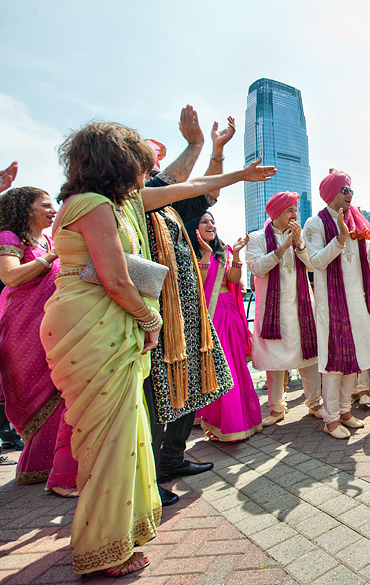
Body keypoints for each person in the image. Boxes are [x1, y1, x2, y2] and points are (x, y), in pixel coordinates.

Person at [41, 120, 275, 577]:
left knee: (125, 435)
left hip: (113, 321)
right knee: (109, 440)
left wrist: (237, 177)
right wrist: (151, 320)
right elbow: (114, 277)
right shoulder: (89, 206)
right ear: (119, 163)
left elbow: (193, 185)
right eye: (141, 164)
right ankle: (103, 548)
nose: (148, 174)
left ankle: (122, 529)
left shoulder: (122, 203)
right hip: (92, 322)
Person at [143, 111, 240, 505]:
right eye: (150, 164)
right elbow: (171, 182)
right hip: (156, 316)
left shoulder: (171, 210)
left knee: (194, 388)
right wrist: (197, 145)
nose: (160, 171)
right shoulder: (136, 201)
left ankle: (171, 460)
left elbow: (206, 192)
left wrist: (216, 150)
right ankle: (147, 479)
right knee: (153, 398)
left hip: (188, 315)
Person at [0, 186, 77, 494]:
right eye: (44, 205)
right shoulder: (9, 238)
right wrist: (51, 256)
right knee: (45, 392)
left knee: (63, 388)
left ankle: (54, 467)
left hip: (53, 324)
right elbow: (11, 277)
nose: (52, 209)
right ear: (25, 209)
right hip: (24, 328)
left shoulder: (47, 239)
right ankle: (54, 473)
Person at [304, 171, 370, 439]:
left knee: (356, 357)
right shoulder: (314, 224)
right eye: (344, 190)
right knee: (333, 361)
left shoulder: (357, 223)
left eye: (350, 190)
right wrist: (340, 238)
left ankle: (344, 411)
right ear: (331, 194)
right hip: (331, 303)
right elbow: (316, 261)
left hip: (357, 301)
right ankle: (330, 419)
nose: (349, 194)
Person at [246, 192, 321, 427]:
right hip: (272, 310)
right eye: (290, 210)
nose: (294, 214)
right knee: (274, 359)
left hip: (302, 306)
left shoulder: (298, 237)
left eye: (295, 210)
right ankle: (276, 408)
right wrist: (283, 247)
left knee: (309, 356)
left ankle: (315, 403)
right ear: (277, 213)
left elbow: (312, 265)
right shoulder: (257, 238)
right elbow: (257, 268)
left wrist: (298, 245)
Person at [191, 212, 262, 442]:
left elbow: (232, 279)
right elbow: (198, 284)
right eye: (204, 221)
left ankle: (240, 423)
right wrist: (205, 255)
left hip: (228, 311)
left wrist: (238, 255)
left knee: (236, 366)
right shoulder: (192, 252)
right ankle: (222, 423)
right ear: (195, 227)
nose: (210, 224)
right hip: (210, 314)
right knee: (221, 367)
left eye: (212, 221)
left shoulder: (225, 251)